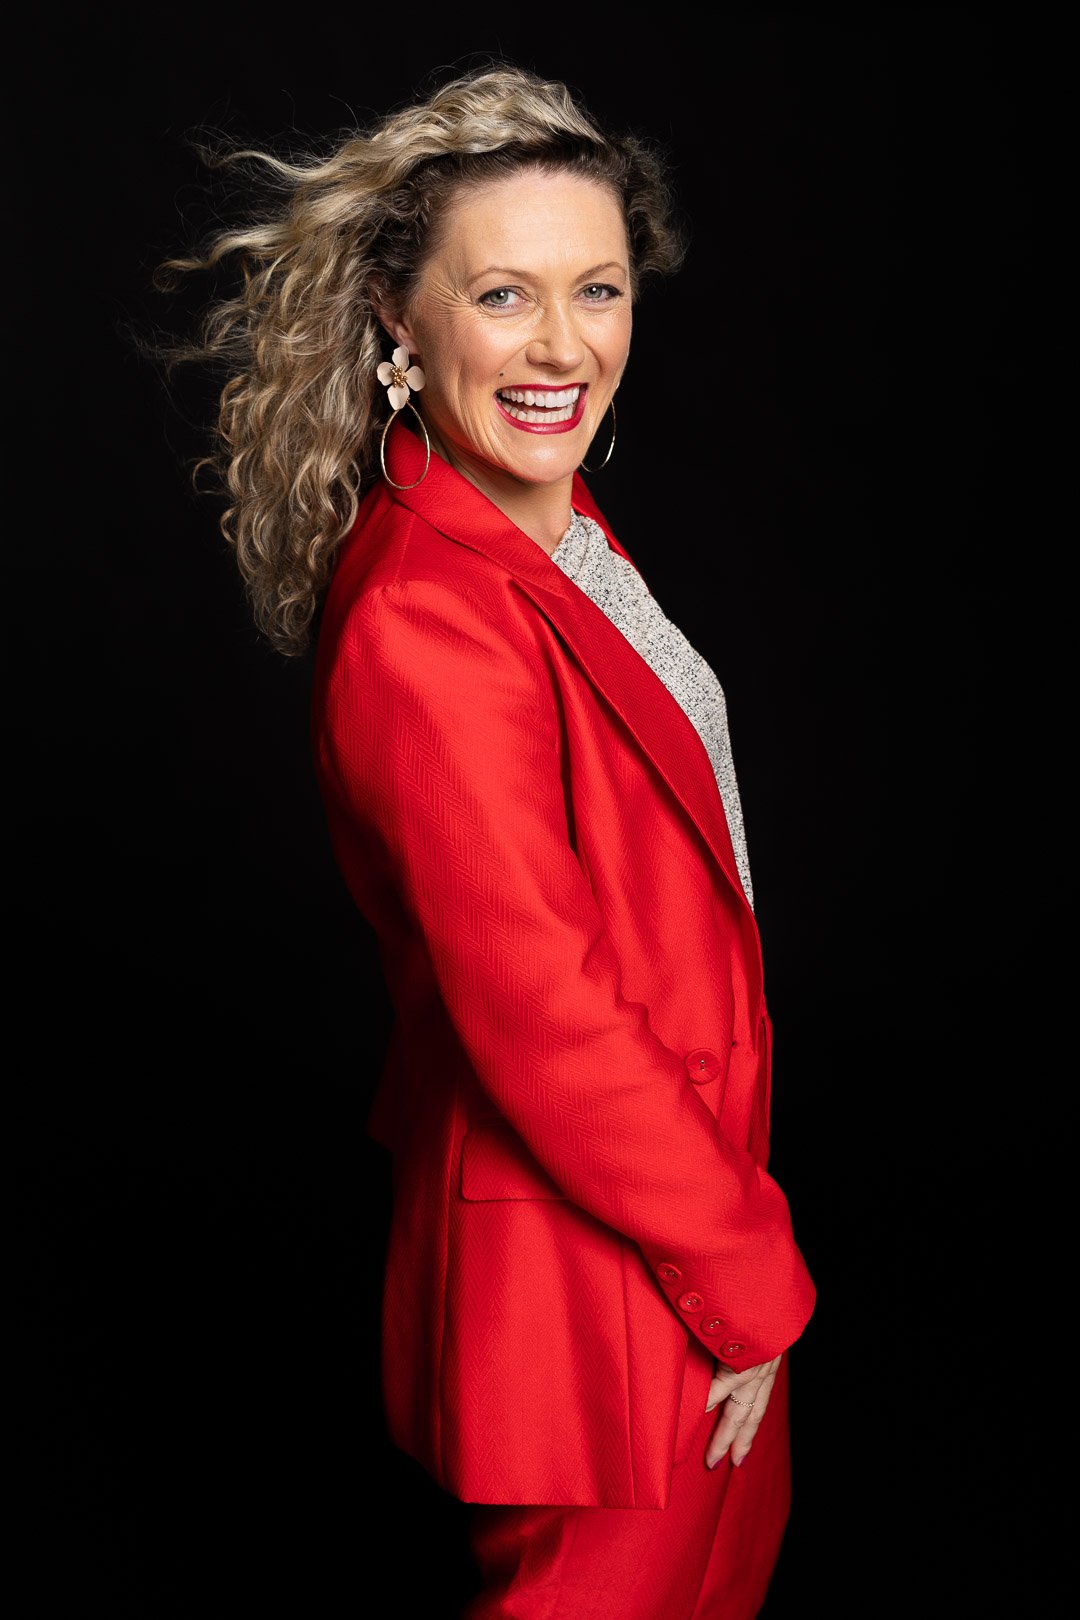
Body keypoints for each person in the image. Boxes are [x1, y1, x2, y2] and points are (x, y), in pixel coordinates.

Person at [160, 63, 816, 1619]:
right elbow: (545, 1019)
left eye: (596, 289)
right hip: (598, 1274)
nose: (563, 345)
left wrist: (734, 1241)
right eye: (504, 294)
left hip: (681, 1212)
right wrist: (751, 1278)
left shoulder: (551, 523)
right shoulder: (425, 622)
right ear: (401, 316)